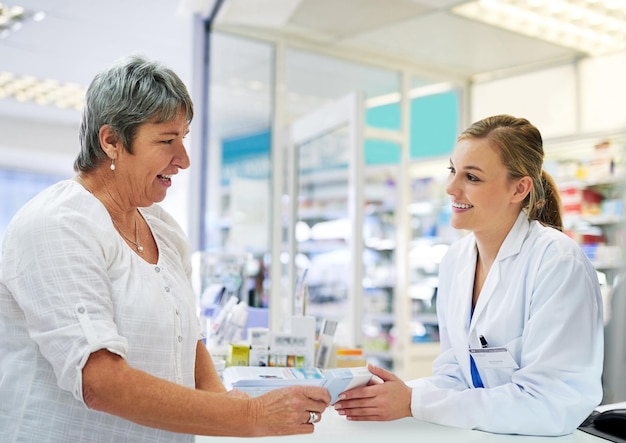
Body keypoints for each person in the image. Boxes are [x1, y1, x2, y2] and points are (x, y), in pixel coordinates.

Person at [0, 55, 330, 443]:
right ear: (112, 142)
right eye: (166, 141)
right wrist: (247, 415)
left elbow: (187, 340)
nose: (184, 160)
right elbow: (100, 382)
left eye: (184, 139)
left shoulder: (162, 228)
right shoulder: (58, 224)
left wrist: (224, 405)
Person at [334, 114, 604, 436]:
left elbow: (547, 403)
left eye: (472, 178)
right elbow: (455, 376)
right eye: (453, 170)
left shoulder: (557, 263)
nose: (451, 188)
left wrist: (413, 402)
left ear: (519, 188)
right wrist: (390, 393)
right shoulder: (456, 261)